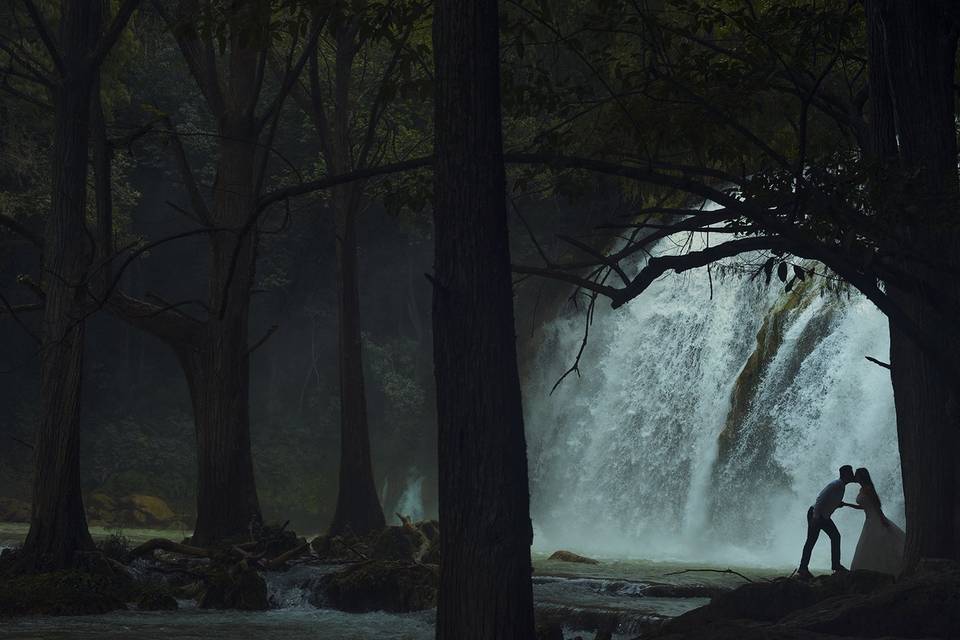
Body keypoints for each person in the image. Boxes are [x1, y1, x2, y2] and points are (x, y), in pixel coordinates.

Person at [797, 465, 856, 579]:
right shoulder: (836, 484)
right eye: (851, 473)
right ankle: (804, 568)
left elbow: (831, 500)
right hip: (817, 515)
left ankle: (835, 565)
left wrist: (839, 504)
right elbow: (820, 498)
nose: (852, 475)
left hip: (823, 516)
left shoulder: (841, 486)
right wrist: (815, 517)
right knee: (813, 540)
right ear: (846, 475)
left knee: (834, 536)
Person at [847, 467, 905, 575]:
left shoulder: (868, 489)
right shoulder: (862, 489)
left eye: (857, 475)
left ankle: (886, 568)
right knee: (871, 544)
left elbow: (877, 505)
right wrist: (847, 505)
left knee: (876, 543)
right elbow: (864, 506)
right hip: (869, 519)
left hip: (875, 518)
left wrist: (882, 518)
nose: (855, 477)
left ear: (861, 477)